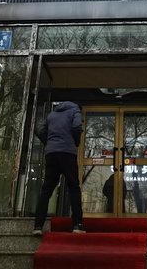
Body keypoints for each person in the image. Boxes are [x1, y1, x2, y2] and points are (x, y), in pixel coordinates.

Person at [33, 101, 85, 235]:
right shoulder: (75, 111)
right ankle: (77, 224)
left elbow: (40, 130)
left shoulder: (52, 115)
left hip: (51, 154)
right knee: (74, 187)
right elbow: (77, 127)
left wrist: (49, 142)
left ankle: (38, 225)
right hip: (67, 153)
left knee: (47, 189)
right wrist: (76, 142)